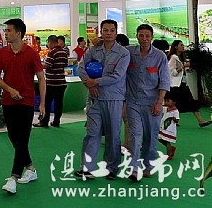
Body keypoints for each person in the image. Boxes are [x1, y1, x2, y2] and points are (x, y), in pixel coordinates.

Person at [0, 18, 45, 195]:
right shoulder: (2, 53)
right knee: (15, 139)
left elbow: (41, 78)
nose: (5, 33)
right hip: (8, 101)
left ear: (18, 33)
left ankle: (13, 178)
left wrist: (42, 103)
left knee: (22, 140)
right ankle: (30, 168)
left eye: (9, 30)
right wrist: (10, 90)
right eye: (5, 30)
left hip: (26, 102)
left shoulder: (31, 53)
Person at [76, 19, 130, 180]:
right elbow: (80, 67)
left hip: (114, 98)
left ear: (116, 32)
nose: (108, 33)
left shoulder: (123, 53)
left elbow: (117, 75)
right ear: (101, 32)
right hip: (94, 97)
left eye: (111, 30)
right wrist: (88, 83)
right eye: (105, 30)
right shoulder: (93, 50)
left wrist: (96, 82)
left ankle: (111, 168)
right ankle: (87, 168)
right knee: (92, 133)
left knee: (113, 134)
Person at [124, 24, 170, 181]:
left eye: (147, 36)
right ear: (137, 36)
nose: (144, 39)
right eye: (141, 35)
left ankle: (148, 166)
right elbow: (113, 50)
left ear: (152, 37)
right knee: (135, 135)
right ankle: (134, 168)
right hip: (133, 102)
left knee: (150, 136)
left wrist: (159, 102)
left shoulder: (159, 56)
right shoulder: (129, 53)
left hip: (152, 103)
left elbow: (164, 81)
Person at [167, 40, 212, 127]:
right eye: (181, 45)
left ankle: (199, 121)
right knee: (180, 102)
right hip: (176, 85)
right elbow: (172, 72)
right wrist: (183, 66)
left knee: (186, 102)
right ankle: (199, 121)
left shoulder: (181, 57)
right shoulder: (173, 58)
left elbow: (181, 71)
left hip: (183, 83)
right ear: (176, 47)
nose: (183, 46)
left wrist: (187, 69)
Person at [35, 34, 68, 128]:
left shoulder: (52, 52)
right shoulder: (63, 52)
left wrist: (37, 66)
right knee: (59, 103)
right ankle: (56, 121)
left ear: (50, 42)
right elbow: (65, 64)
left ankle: (44, 121)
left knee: (46, 102)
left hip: (51, 82)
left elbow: (47, 65)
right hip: (61, 82)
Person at [158, 93, 179, 160]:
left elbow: (177, 120)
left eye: (168, 101)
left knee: (167, 141)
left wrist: (174, 119)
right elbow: (161, 108)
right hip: (163, 127)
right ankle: (170, 149)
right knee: (160, 139)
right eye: (165, 101)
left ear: (174, 102)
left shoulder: (175, 111)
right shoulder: (166, 108)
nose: (166, 102)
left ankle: (168, 154)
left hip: (169, 129)